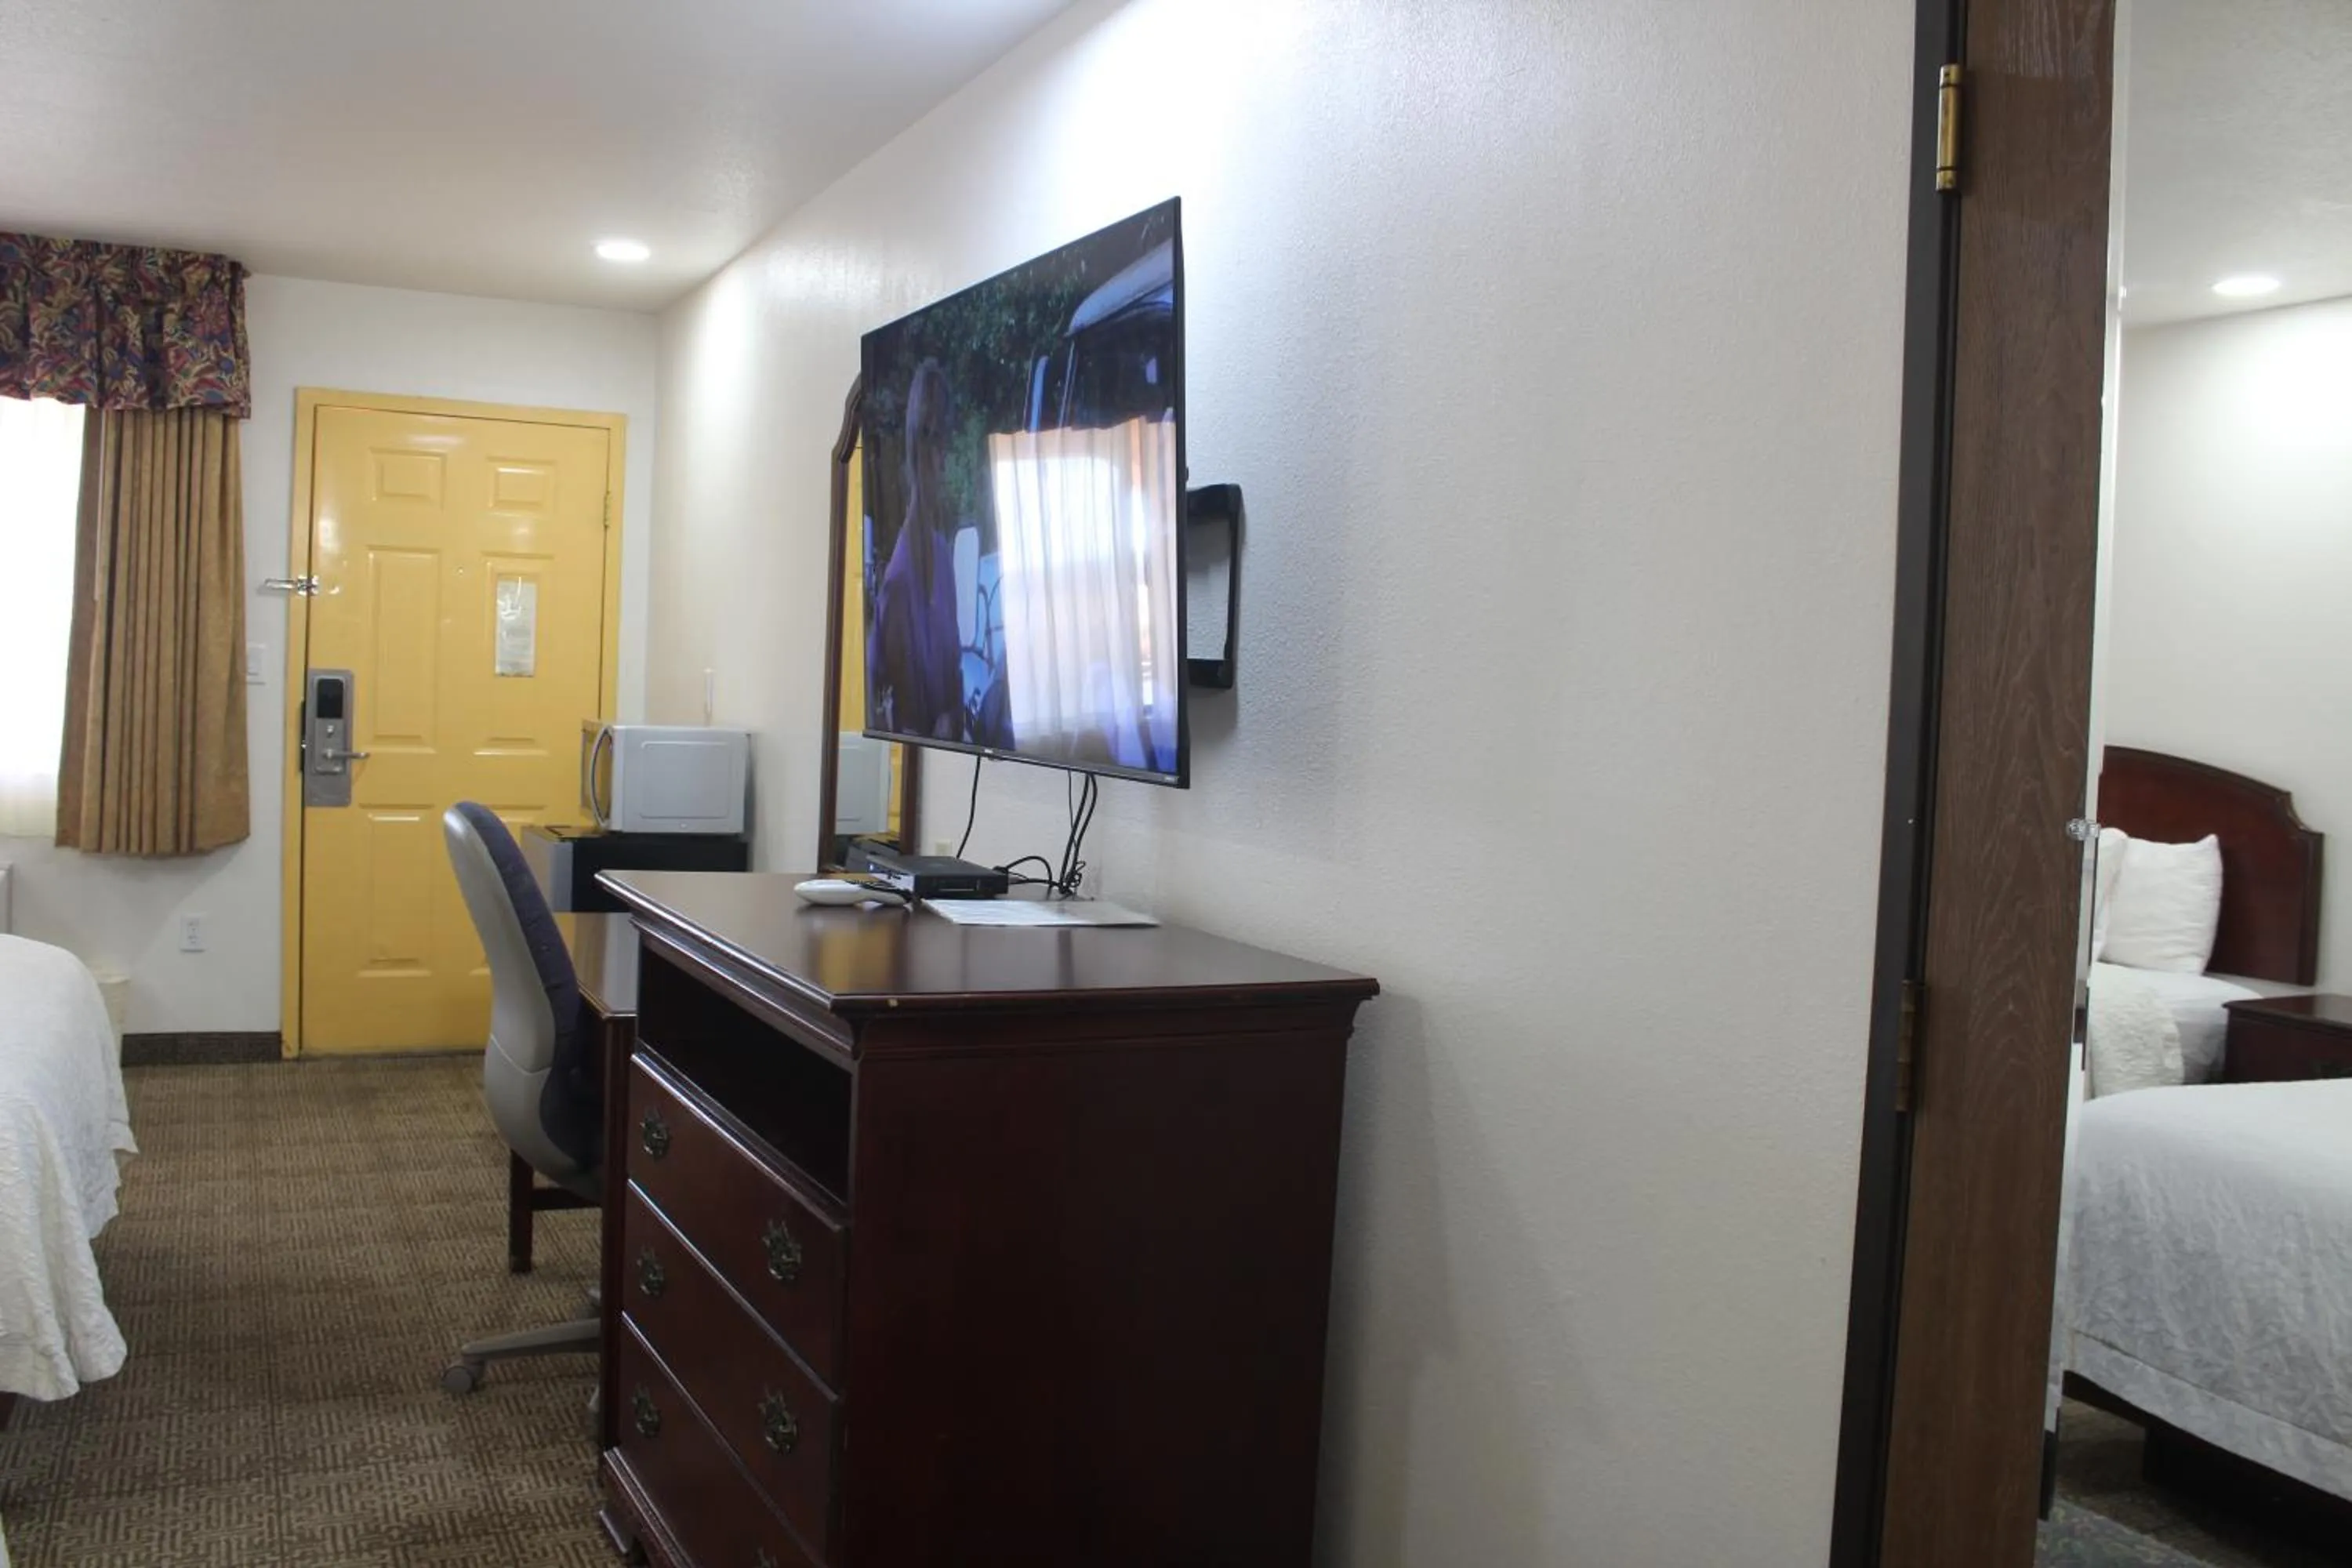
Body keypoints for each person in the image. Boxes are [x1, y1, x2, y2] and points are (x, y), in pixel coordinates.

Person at [869, 359, 965, 741]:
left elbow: (956, 685)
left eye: (942, 438)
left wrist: (952, 717)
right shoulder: (899, 581)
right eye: (926, 437)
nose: (936, 457)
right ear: (911, 443)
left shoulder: (943, 557)